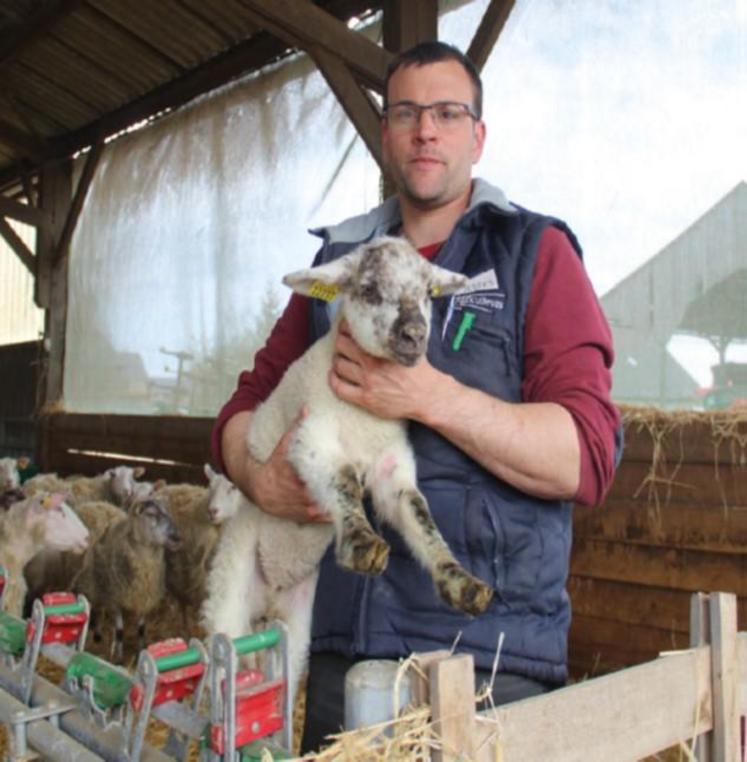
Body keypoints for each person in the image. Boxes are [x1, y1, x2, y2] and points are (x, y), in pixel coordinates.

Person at [212, 41, 621, 752]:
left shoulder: (531, 254)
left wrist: (430, 396)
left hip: (488, 661)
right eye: (405, 112)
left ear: (477, 135)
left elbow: (583, 456)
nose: (425, 129)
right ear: (386, 135)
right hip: (343, 653)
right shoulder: (338, 266)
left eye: (446, 112)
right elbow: (241, 405)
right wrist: (258, 476)